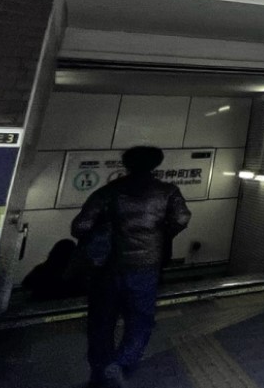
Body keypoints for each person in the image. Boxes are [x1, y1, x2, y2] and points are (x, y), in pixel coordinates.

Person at [73, 146, 192, 388]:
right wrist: (160, 234)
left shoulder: (108, 191)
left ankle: (100, 368)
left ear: (126, 165)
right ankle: (121, 361)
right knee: (141, 318)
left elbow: (81, 226)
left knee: (101, 321)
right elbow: (182, 218)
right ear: (155, 165)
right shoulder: (167, 192)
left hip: (108, 267)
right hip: (146, 265)